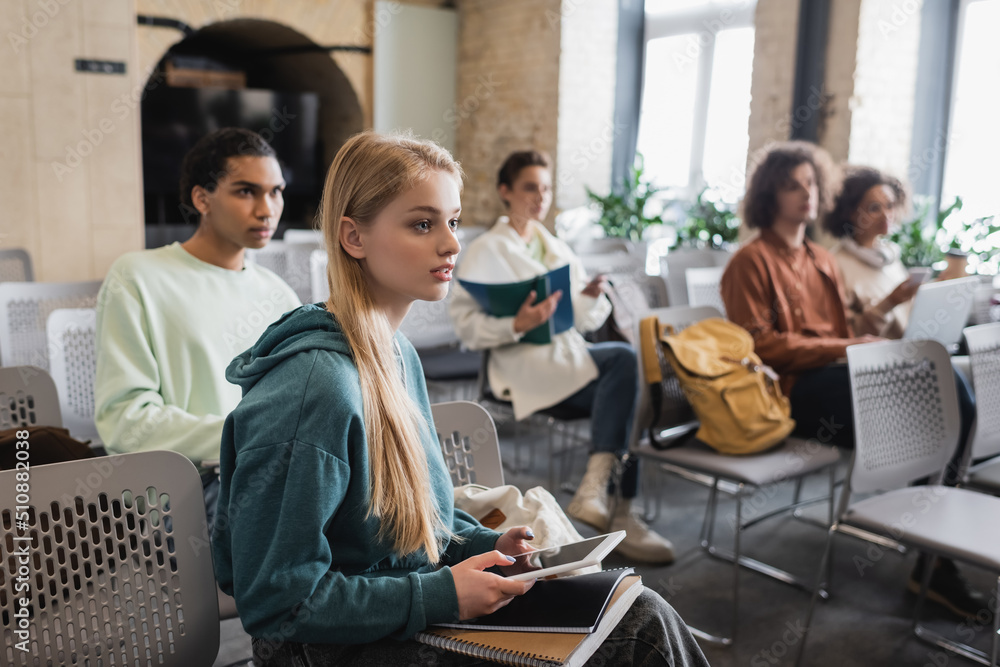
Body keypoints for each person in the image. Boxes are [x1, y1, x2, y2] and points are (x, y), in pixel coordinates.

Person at [210, 132, 710, 666]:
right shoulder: (314, 390)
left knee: (637, 610)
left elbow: (417, 527)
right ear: (353, 237)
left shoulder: (397, 355)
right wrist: (442, 594)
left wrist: (482, 548)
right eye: (422, 224)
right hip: (322, 649)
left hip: (400, 603)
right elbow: (276, 603)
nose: (451, 244)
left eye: (451, 222)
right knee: (637, 636)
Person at [721, 140, 984, 620]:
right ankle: (932, 555)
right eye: (792, 186)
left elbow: (845, 333)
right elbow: (759, 346)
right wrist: (848, 348)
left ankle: (933, 550)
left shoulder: (821, 259)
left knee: (953, 392)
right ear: (769, 195)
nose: (807, 194)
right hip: (792, 393)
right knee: (939, 409)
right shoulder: (750, 261)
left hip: (839, 376)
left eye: (811, 184)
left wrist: (876, 330)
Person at [448, 150, 675, 564]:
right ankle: (606, 501)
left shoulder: (553, 246)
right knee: (622, 361)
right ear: (506, 191)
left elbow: (582, 322)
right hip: (522, 368)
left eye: (547, 188)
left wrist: (588, 298)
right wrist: (517, 323)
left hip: (567, 361)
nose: (540, 197)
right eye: (530, 187)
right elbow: (466, 329)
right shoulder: (486, 251)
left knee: (632, 391)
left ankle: (617, 508)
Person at [94, 128, 301, 530]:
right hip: (182, 491)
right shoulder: (137, 278)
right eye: (246, 192)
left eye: (275, 191)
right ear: (201, 198)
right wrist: (245, 439)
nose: (267, 209)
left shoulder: (279, 295)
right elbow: (125, 423)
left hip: (271, 472)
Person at [824, 166, 918, 338]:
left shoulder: (890, 258)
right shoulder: (835, 264)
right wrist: (889, 303)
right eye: (874, 208)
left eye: (890, 206)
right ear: (851, 213)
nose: (886, 215)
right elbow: (849, 335)